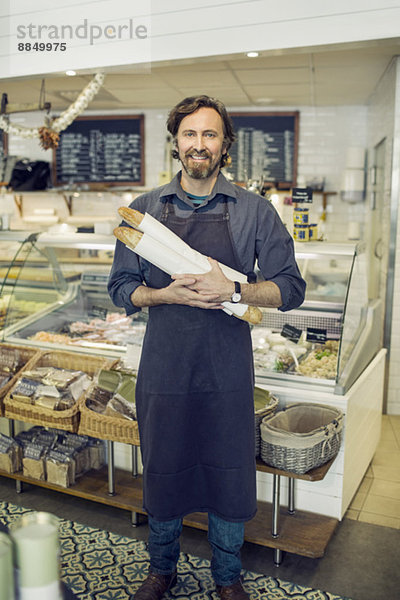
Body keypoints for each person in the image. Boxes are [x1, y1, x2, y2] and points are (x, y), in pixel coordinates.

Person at [108, 95, 306, 600]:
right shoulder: (145, 212)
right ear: (177, 142)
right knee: (164, 467)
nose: (199, 144)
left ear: (225, 146)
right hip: (166, 368)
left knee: (229, 470)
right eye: (190, 134)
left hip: (226, 371)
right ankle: (161, 570)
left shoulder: (255, 211)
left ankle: (227, 577)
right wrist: (161, 294)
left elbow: (291, 287)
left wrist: (234, 291)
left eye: (210, 135)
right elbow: (120, 289)